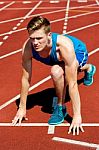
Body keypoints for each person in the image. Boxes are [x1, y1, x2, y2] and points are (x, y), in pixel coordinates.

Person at [12, 16, 96, 135]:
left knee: (58, 72)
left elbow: (72, 84)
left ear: (49, 35)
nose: (35, 43)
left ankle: (88, 68)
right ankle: (60, 105)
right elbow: (26, 78)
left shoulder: (64, 46)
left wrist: (77, 116)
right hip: (56, 58)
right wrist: (22, 108)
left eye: (39, 38)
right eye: (32, 38)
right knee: (58, 70)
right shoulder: (28, 48)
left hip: (77, 52)